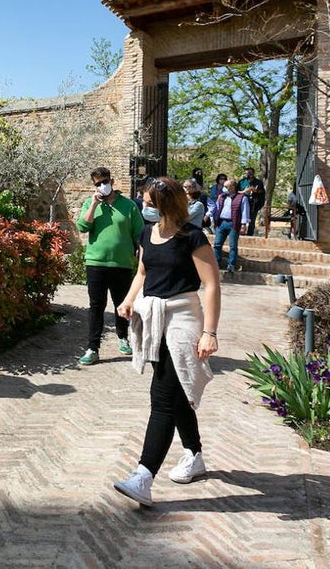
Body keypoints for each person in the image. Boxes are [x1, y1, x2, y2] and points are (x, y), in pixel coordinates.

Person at [112, 175, 220, 507]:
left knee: (162, 397)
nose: (142, 205)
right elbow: (143, 273)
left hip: (184, 319)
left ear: (163, 202)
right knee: (176, 394)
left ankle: (143, 476)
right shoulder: (148, 232)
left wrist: (210, 332)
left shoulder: (192, 237)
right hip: (154, 318)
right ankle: (194, 454)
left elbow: (212, 285)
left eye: (146, 200)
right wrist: (129, 300)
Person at [74, 167, 144, 364]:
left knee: (122, 303)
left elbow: (139, 234)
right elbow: (82, 226)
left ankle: (123, 338)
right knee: (96, 306)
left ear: (112, 181)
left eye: (104, 182)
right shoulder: (90, 203)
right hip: (95, 262)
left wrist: (141, 258)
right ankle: (92, 347)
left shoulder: (128, 205)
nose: (102, 186)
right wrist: (94, 205)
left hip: (121, 263)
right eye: (97, 183)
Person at [211, 179, 249, 272]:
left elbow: (244, 212)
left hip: (234, 223)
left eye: (226, 186)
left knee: (232, 246)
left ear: (232, 187)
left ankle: (231, 264)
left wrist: (243, 225)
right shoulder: (221, 197)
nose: (224, 188)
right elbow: (216, 209)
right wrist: (214, 220)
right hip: (221, 223)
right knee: (217, 244)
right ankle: (217, 263)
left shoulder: (242, 198)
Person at [238, 167, 266, 236]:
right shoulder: (241, 182)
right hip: (243, 204)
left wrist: (255, 191)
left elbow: (262, 193)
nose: (249, 174)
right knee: (241, 220)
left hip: (253, 204)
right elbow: (236, 192)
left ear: (253, 173)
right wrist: (244, 191)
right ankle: (240, 234)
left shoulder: (259, 182)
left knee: (252, 220)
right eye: (248, 172)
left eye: (251, 172)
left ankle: (249, 235)